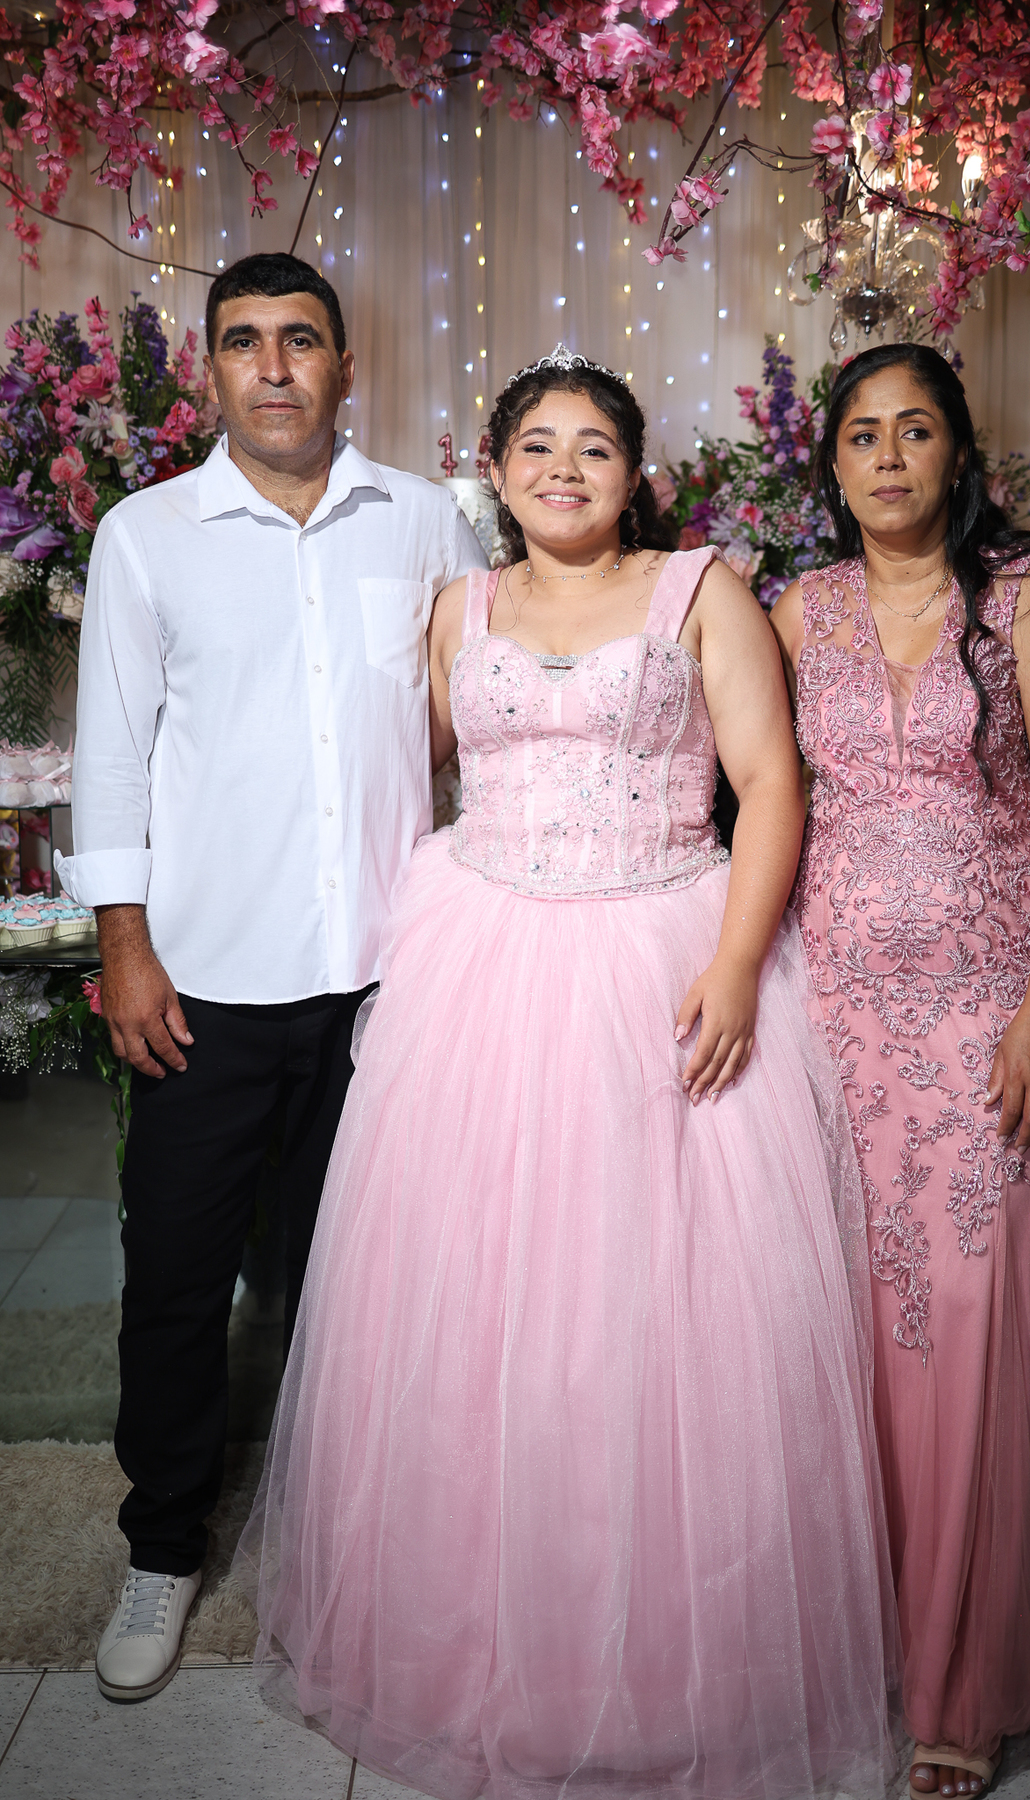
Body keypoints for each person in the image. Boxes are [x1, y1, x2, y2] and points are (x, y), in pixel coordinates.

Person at [236, 346, 900, 1799]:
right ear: (494, 468)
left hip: (660, 955)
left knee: (659, 1313)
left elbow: (771, 783)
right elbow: (393, 775)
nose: (563, 469)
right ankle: (473, 1638)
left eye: (593, 446)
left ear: (633, 472)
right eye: (536, 445)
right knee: (477, 1303)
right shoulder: (456, 608)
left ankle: (676, 1661)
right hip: (481, 963)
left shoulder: (701, 591)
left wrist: (737, 964)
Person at [56, 251, 488, 1704]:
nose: (276, 367)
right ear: (212, 371)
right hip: (204, 983)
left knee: (359, 1282)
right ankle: (163, 1544)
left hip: (385, 981)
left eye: (301, 340)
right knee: (178, 1279)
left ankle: (362, 1534)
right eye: (244, 342)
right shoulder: (147, 535)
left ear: (345, 366)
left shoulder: (426, 521)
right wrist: (124, 943)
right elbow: (114, 752)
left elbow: (473, 716)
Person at [771, 344, 1030, 1800]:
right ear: (832, 465)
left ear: (959, 454)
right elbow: (756, 793)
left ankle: (965, 1680)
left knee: (976, 1317)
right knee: (857, 1325)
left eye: (915, 430)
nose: (889, 456)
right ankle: (869, 1632)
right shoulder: (796, 611)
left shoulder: (1026, 599)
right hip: (839, 1013)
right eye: (863, 434)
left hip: (992, 1011)